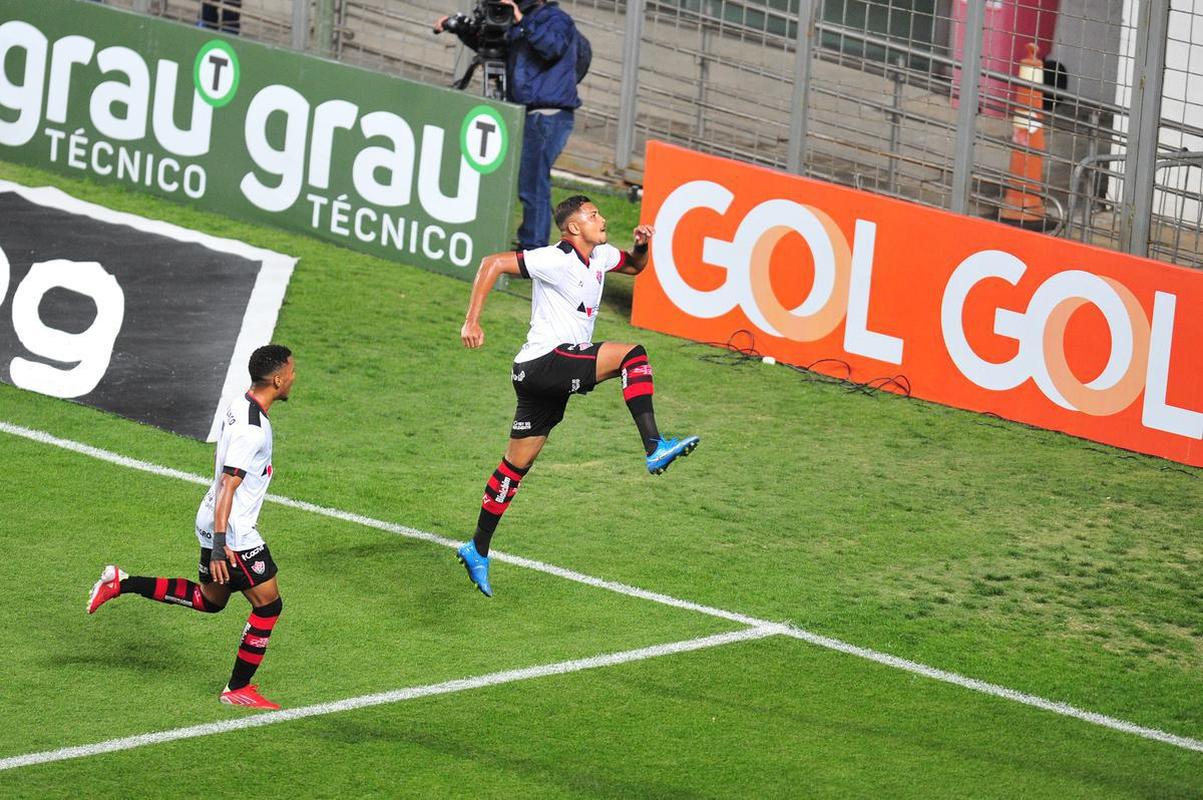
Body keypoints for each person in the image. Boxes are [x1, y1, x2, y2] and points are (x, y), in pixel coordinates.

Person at [456, 195, 699, 597]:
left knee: (515, 467)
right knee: (632, 356)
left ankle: (477, 548)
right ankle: (654, 445)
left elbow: (636, 267)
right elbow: (492, 263)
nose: (601, 219)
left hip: (538, 374)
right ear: (573, 228)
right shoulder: (554, 258)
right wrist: (472, 321)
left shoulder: (600, 256)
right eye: (593, 215)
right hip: (544, 362)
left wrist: (641, 245)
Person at [86, 344, 296, 710]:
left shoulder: (238, 404)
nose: (294, 378)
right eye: (292, 372)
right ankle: (237, 688)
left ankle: (121, 582)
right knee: (268, 606)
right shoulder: (253, 430)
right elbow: (230, 483)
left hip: (212, 516)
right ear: (277, 379)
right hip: (231, 533)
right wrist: (220, 544)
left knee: (211, 600)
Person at [435, 0, 580, 249]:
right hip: (528, 113)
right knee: (529, 181)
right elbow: (498, 49)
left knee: (533, 183)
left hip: (548, 115)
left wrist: (521, 20)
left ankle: (532, 249)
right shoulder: (524, 20)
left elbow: (552, 47)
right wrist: (459, 27)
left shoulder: (556, 19)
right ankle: (530, 244)